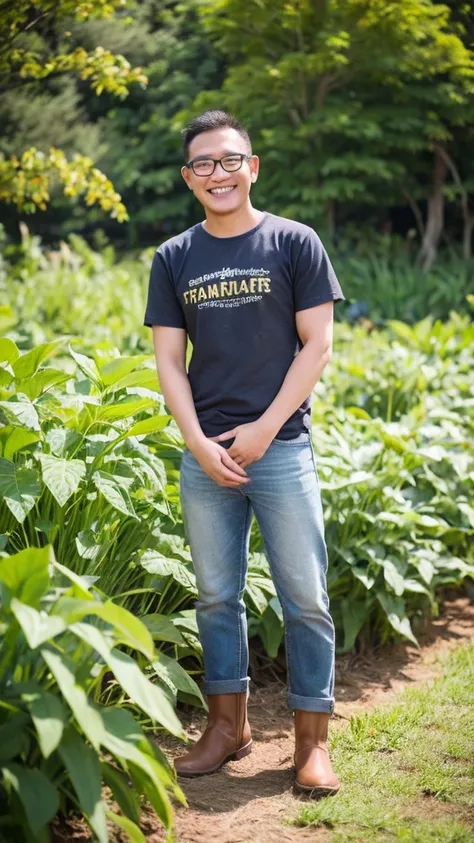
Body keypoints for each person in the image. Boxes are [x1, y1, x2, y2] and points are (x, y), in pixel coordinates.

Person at [144, 110, 345, 797]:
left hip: (281, 448)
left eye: (230, 160)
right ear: (188, 179)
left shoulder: (294, 242)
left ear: (252, 167)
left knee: (306, 597)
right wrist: (197, 442)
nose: (218, 174)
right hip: (207, 457)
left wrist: (264, 427)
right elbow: (170, 362)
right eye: (204, 164)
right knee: (215, 596)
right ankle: (227, 727)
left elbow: (317, 345)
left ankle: (312, 743)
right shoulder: (174, 257)